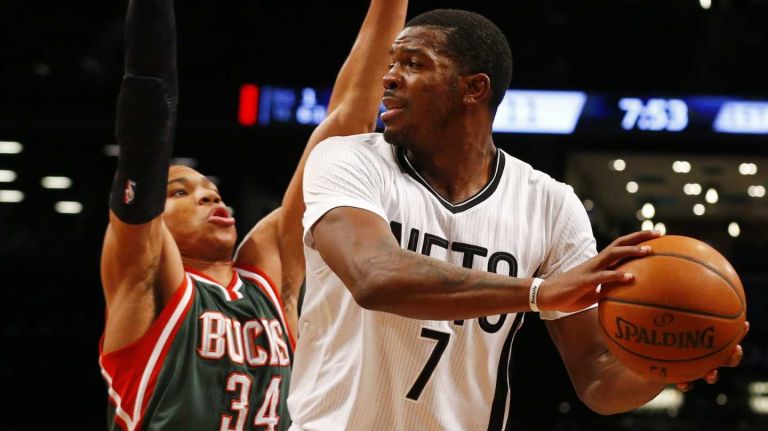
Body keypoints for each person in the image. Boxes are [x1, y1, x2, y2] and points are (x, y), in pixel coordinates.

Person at [287, 9, 747, 431]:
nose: (389, 77)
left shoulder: (550, 205)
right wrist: (538, 292)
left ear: (474, 88)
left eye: (413, 63)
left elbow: (598, 382)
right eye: (392, 63)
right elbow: (373, 277)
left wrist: (663, 363)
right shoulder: (346, 161)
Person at [97, 0, 408, 429]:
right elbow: (146, 128)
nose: (210, 198)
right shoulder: (148, 281)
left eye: (212, 190)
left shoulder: (269, 275)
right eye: (180, 192)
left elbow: (346, 121)